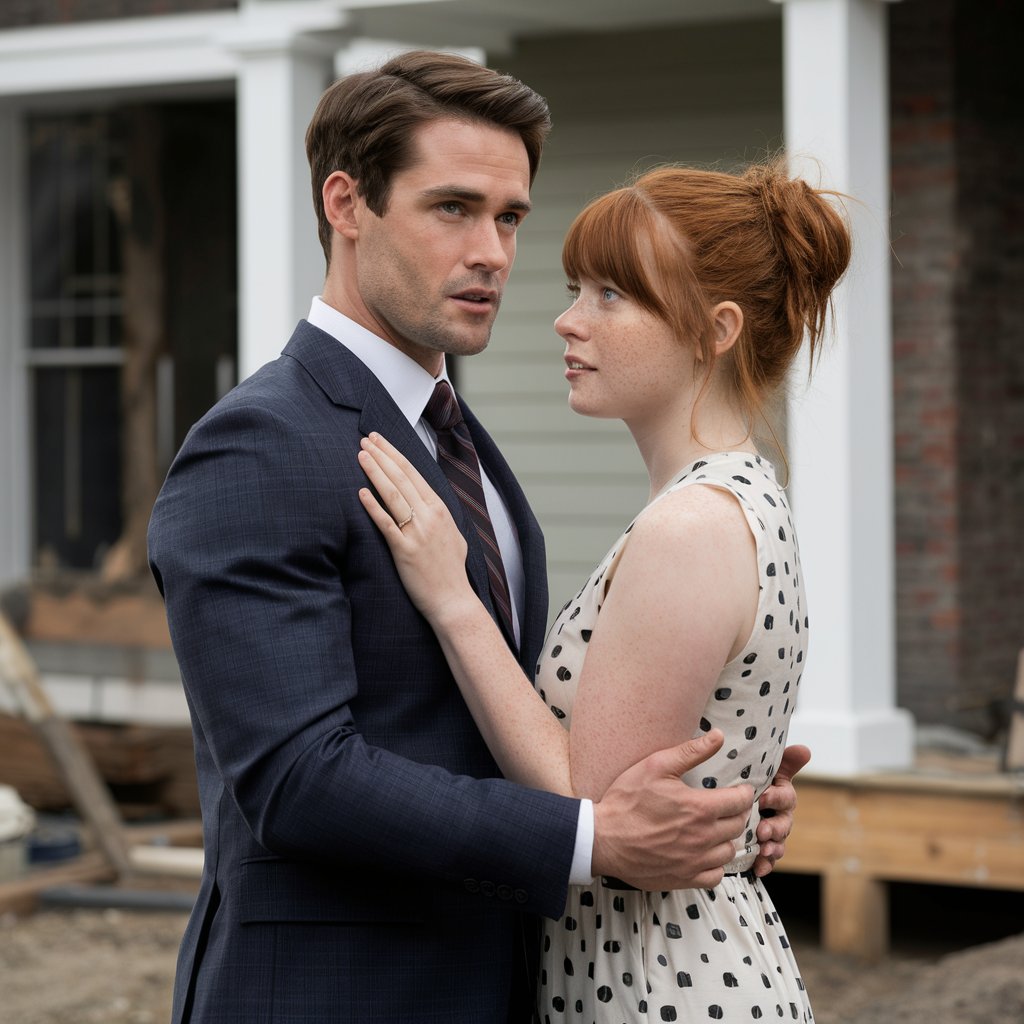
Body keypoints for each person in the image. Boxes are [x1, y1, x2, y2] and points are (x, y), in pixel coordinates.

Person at [147, 51, 805, 1024]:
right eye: (453, 208)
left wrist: (719, 794)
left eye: (509, 217)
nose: (493, 252)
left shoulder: (465, 446)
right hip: (341, 997)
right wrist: (594, 837)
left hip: (509, 984)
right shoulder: (257, 444)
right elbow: (294, 778)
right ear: (347, 203)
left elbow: (508, 717)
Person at [358, 159, 849, 1023]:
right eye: (575, 290)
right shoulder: (735, 497)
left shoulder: (691, 525)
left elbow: (590, 809)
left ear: (715, 330)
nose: (568, 320)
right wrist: (746, 803)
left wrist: (452, 599)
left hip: (663, 984)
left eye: (611, 296)